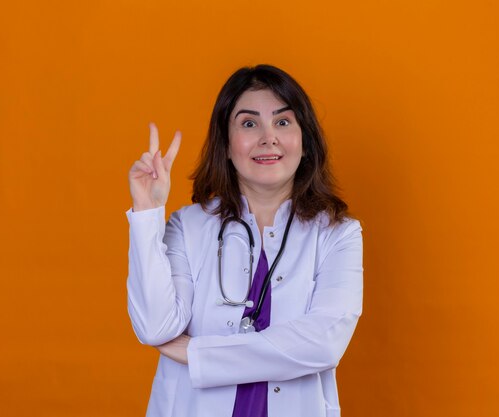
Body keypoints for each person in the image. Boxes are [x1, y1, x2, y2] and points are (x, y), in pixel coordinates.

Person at [126, 64, 363, 417]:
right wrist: (147, 213)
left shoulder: (337, 233)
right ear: (225, 145)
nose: (268, 138)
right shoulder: (188, 225)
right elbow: (155, 326)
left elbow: (323, 344)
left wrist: (197, 353)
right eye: (249, 123)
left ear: (305, 142)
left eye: (283, 122)